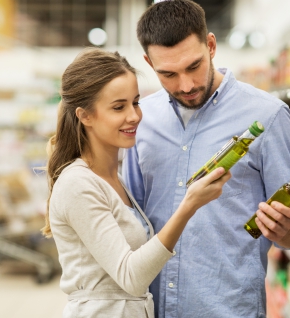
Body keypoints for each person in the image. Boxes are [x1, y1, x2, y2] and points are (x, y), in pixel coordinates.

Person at [122, 0, 290, 318]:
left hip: (227, 308)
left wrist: (289, 227)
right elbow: (130, 216)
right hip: (150, 307)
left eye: (193, 66)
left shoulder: (267, 116)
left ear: (210, 45)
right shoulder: (142, 119)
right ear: (148, 62)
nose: (185, 85)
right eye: (168, 74)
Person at [41, 48, 230, 318]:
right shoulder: (78, 184)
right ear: (85, 116)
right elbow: (131, 276)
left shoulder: (112, 178)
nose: (134, 116)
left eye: (136, 102)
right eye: (119, 107)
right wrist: (189, 205)